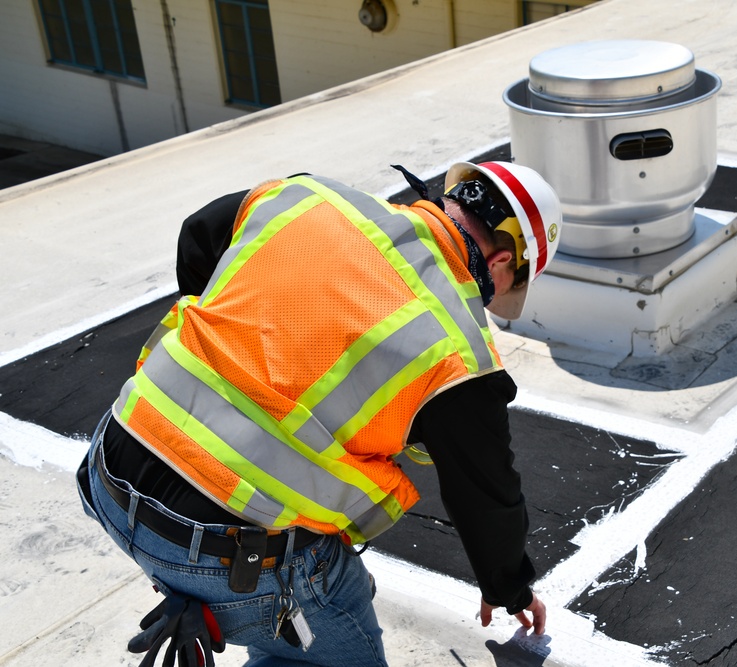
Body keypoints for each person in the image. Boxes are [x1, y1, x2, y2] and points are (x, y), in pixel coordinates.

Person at [76, 161, 563, 666]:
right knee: (322, 645)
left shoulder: (308, 198)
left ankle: (212, 592)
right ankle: (230, 600)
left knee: (325, 586)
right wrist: (510, 589)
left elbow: (199, 234)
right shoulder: (461, 357)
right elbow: (487, 498)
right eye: (507, 288)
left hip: (109, 466)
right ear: (503, 260)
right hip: (225, 554)